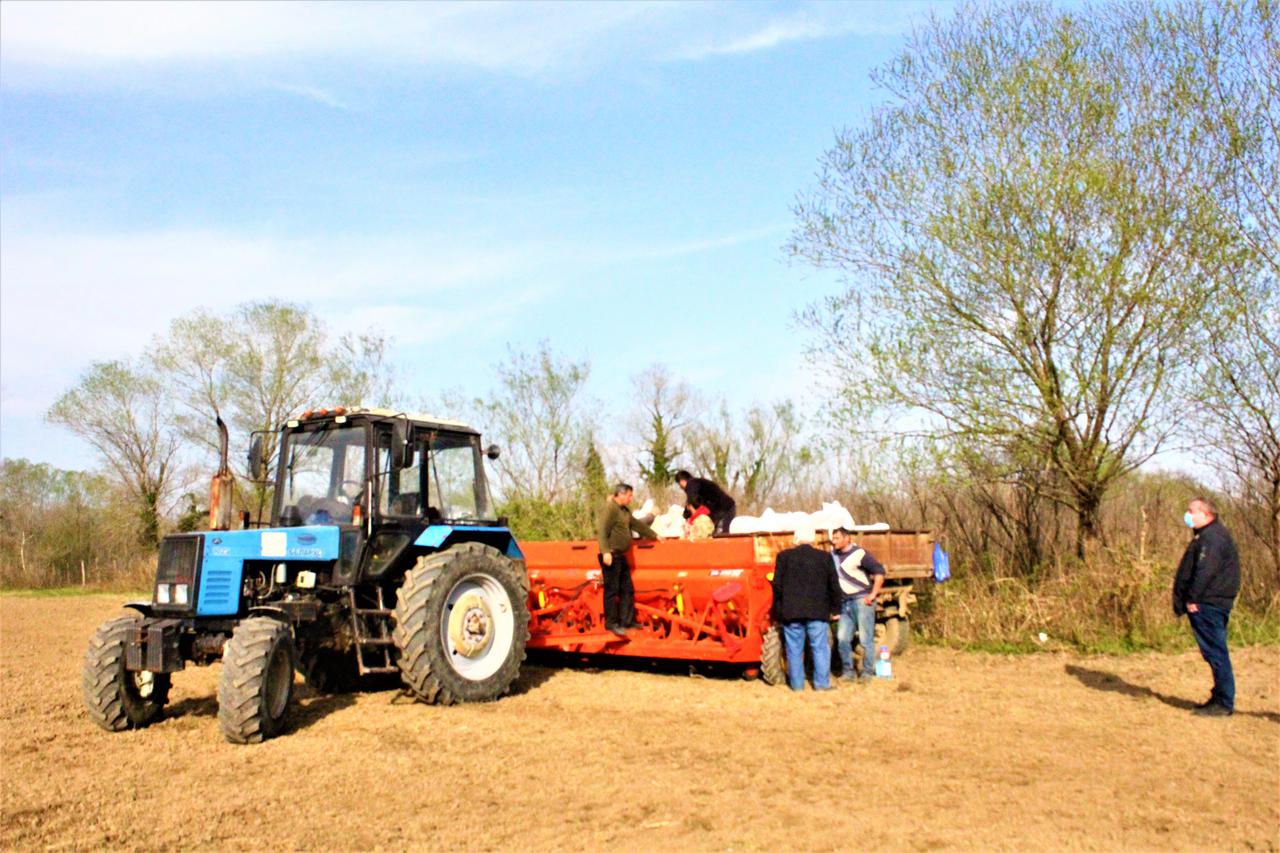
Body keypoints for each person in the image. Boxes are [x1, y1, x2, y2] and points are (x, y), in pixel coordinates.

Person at [1172, 497, 1241, 717]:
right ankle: (1219, 696)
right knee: (1213, 653)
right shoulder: (1207, 536)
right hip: (1208, 602)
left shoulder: (1213, 538)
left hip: (1208, 604)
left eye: (1191, 510)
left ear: (1207, 514)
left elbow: (1205, 571)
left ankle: (1223, 703)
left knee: (1216, 652)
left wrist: (1192, 598)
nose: (1188, 514)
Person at [771, 524, 842, 691]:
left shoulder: (783, 557)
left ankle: (797, 685)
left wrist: (779, 610)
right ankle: (821, 685)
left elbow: (777, 586)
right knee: (820, 648)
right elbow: (833, 585)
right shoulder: (824, 557)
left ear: (796, 538)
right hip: (818, 611)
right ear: (813, 539)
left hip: (791, 612)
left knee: (794, 649)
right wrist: (836, 609)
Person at [597, 483, 659, 637]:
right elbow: (602, 530)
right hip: (611, 554)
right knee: (612, 591)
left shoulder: (624, 511)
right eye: (630, 495)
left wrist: (654, 535)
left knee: (627, 589)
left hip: (621, 555)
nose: (631, 499)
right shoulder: (610, 509)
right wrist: (605, 552)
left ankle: (627, 620)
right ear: (621, 494)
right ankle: (611, 624)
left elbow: (636, 525)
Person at [831, 526, 886, 682]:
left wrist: (873, 594)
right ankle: (848, 671)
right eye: (833, 538)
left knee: (865, 638)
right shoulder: (833, 556)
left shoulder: (859, 554)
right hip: (844, 602)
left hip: (861, 600)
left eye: (837, 538)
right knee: (842, 638)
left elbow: (879, 572)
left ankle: (868, 671)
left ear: (847, 538)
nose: (834, 541)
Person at [674, 470, 737, 535]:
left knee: (722, 534)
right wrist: (687, 514)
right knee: (712, 532)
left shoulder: (691, 483)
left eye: (679, 484)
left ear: (681, 481)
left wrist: (691, 513)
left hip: (725, 508)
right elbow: (692, 503)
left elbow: (693, 500)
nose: (680, 487)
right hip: (720, 509)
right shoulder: (697, 484)